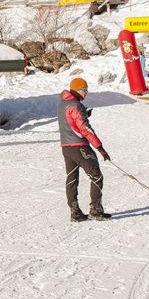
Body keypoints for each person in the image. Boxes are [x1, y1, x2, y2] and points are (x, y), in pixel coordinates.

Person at [59, 77, 111, 222]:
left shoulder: (63, 104)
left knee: (72, 179)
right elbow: (85, 129)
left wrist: (84, 114)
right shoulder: (76, 105)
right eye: (85, 90)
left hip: (66, 148)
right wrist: (100, 148)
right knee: (97, 176)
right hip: (80, 147)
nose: (86, 93)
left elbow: (70, 121)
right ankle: (96, 210)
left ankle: (75, 212)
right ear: (78, 89)